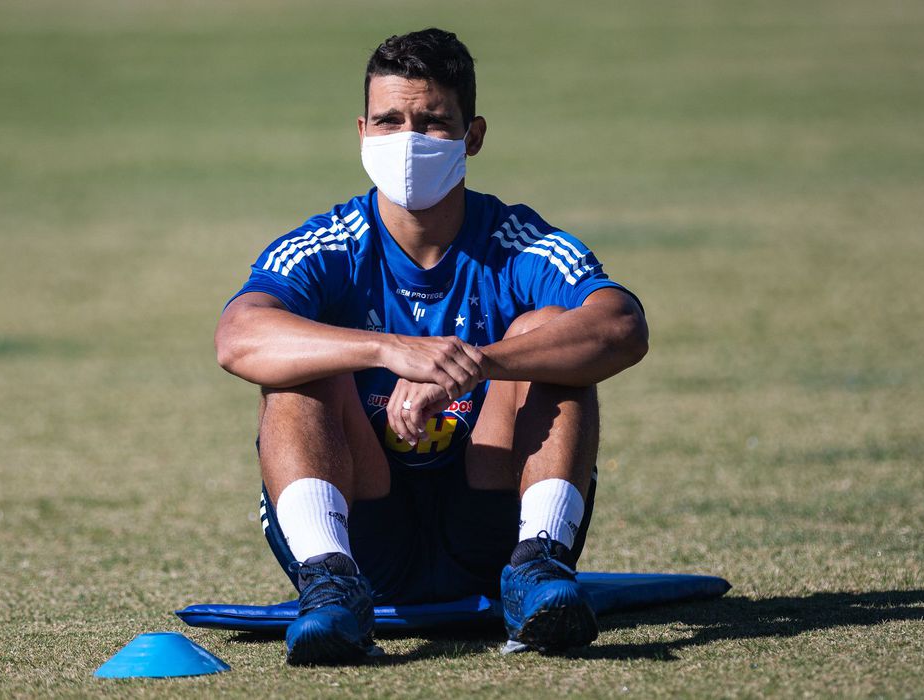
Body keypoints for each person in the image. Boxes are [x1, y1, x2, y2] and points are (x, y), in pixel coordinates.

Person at [214, 28, 648, 665]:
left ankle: (539, 567)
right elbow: (237, 336)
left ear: (472, 136)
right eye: (389, 122)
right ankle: (329, 585)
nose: (408, 141)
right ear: (362, 132)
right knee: (302, 363)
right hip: (364, 532)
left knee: (544, 330)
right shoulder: (325, 245)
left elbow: (621, 326)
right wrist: (387, 349)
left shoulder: (516, 239)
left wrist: (475, 363)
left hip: (493, 525)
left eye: (432, 122)